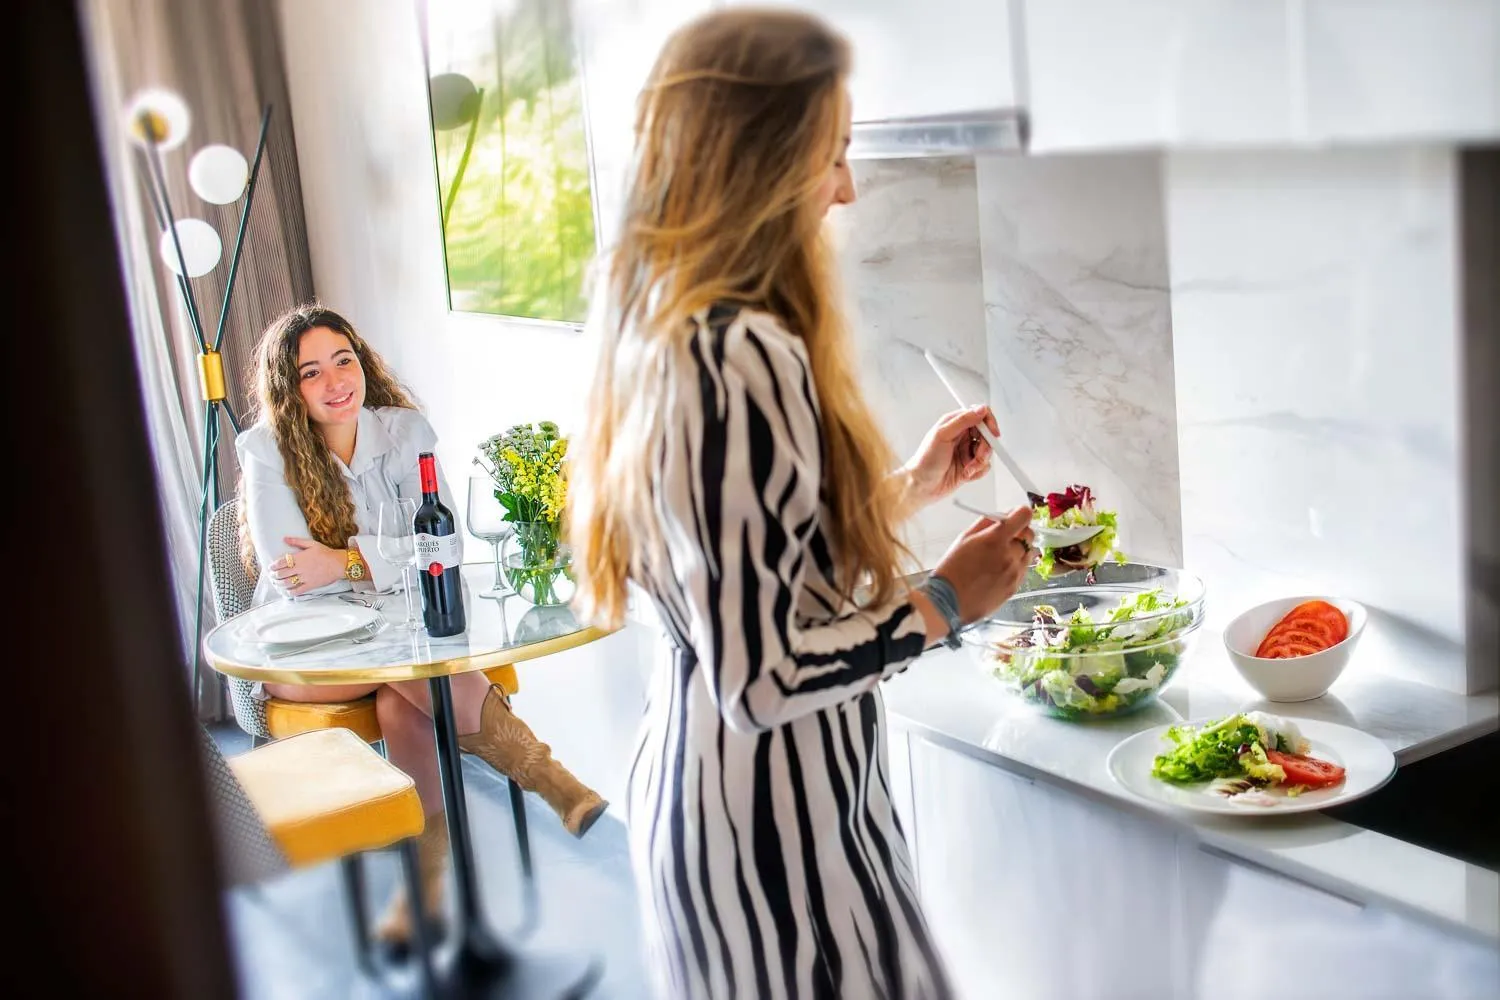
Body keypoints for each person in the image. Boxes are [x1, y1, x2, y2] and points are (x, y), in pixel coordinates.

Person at [568, 9, 1036, 999]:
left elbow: (745, 556)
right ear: (761, 161)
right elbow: (762, 677)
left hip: (731, 812)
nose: (846, 188)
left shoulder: (665, 327)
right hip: (774, 839)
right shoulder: (741, 354)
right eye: (833, 153)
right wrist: (944, 602)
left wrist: (911, 486)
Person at [235, 304, 608, 947]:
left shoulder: (404, 432)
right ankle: (549, 779)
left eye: (344, 361)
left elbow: (446, 544)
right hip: (303, 653)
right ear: (289, 389)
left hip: (394, 637)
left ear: (362, 363)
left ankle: (425, 884)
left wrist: (344, 561)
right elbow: (292, 570)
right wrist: (385, 560)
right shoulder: (266, 449)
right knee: (411, 668)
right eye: (311, 372)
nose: (335, 381)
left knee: (399, 694)